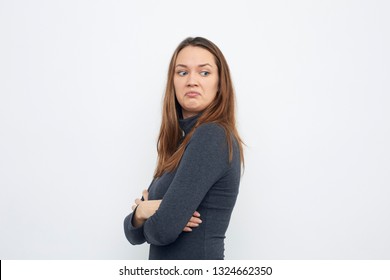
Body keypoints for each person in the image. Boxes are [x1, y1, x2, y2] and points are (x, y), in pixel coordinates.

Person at [123, 37, 244, 260]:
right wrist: (143, 211)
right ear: (173, 82)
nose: (192, 81)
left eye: (204, 73)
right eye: (182, 72)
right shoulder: (181, 144)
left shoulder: (212, 136)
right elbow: (132, 234)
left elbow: (162, 230)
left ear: (220, 84)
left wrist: (157, 213)